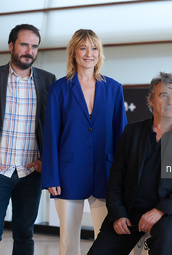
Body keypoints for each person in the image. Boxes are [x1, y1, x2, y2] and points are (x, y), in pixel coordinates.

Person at [88, 72, 172, 255]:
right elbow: (116, 178)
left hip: (170, 213)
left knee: (165, 236)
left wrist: (160, 210)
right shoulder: (132, 132)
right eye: (163, 95)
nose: (170, 101)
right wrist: (118, 214)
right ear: (151, 100)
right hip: (129, 211)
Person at [0, 24, 56, 255]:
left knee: (24, 235)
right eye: (24, 44)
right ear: (11, 46)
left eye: (35, 46)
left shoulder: (49, 81)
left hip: (30, 174)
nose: (30, 51)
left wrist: (44, 161)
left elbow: (53, 128)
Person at [41, 29, 127, 255]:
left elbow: (121, 137)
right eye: (83, 47)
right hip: (68, 174)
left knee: (106, 240)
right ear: (74, 53)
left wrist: (124, 178)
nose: (89, 53)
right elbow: (50, 135)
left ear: (100, 53)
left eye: (94, 48)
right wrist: (51, 176)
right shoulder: (59, 89)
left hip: (106, 174)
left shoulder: (115, 88)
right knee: (68, 242)